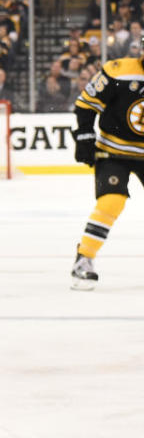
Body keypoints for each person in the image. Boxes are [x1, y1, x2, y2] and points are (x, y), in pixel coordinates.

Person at [69, 36, 144, 290]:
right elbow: (85, 105)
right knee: (112, 201)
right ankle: (84, 258)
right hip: (114, 150)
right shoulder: (118, 71)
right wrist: (85, 136)